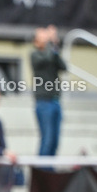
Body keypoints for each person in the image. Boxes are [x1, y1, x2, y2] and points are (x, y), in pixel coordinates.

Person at [31, 25, 66, 157]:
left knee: (55, 142)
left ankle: (51, 174)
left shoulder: (51, 52)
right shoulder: (35, 55)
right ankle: (41, 173)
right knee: (47, 140)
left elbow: (63, 66)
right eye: (42, 35)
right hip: (43, 102)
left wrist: (55, 44)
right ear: (36, 41)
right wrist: (51, 43)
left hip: (55, 101)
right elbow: (48, 58)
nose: (45, 36)